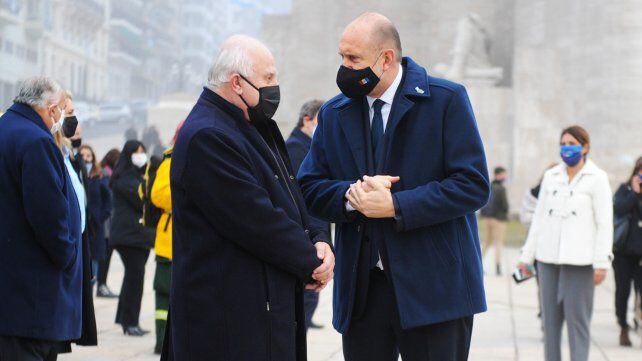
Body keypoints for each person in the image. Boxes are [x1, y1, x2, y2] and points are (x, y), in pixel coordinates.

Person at [298, 13, 490, 361]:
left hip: (436, 292)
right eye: (341, 57)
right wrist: (352, 197)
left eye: (353, 58)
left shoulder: (446, 100)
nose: (345, 67)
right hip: (363, 294)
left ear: (386, 59)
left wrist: (396, 205)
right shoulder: (333, 113)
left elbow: (473, 185)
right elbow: (309, 187)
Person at [162, 35, 335, 361]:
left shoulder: (254, 126)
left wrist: (318, 237)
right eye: (268, 78)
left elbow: (291, 196)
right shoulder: (208, 135)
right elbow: (256, 219)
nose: (276, 85)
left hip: (262, 308)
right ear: (237, 83)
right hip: (227, 322)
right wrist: (311, 262)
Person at [0, 77, 90, 359]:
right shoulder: (37, 141)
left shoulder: (6, 129)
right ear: (51, 110)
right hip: (31, 298)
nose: (64, 116)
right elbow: (48, 218)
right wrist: (69, 256)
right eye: (63, 108)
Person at [517, 125, 613, 361]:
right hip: (547, 260)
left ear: (585, 146)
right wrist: (526, 257)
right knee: (550, 324)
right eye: (563, 143)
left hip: (580, 262)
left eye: (572, 144)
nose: (567, 148)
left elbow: (604, 224)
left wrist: (602, 262)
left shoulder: (597, 178)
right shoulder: (551, 176)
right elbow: (538, 219)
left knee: (577, 324)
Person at [285, 99, 329, 331]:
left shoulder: (310, 147)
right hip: (304, 225)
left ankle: (306, 319)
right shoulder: (295, 147)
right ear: (307, 120)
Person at [110, 140, 155, 336]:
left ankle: (125, 319)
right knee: (135, 279)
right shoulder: (125, 178)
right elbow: (142, 200)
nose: (141, 156)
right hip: (130, 237)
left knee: (131, 277)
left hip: (136, 237)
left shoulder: (136, 175)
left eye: (142, 152)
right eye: (137, 152)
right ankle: (131, 322)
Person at [150, 121, 183, 354]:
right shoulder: (170, 160)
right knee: (164, 296)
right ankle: (161, 342)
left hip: (190, 245)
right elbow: (158, 195)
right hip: (168, 244)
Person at [612, 156, 642, 346]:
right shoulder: (625, 190)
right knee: (622, 292)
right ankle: (623, 326)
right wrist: (635, 193)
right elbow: (618, 209)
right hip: (623, 253)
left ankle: (638, 322)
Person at [79, 145, 113, 287]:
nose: (86, 159)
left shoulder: (99, 178)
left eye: (89, 156)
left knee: (92, 272)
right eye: (83, 155)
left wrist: (99, 218)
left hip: (95, 230)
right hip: (80, 230)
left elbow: (108, 201)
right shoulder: (76, 176)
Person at [96, 148, 121, 298]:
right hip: (105, 223)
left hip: (109, 222)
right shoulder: (104, 175)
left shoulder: (108, 174)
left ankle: (102, 284)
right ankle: (101, 285)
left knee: (107, 255)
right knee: (104, 256)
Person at [480, 166, 509, 275]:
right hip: (498, 219)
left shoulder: (489, 185)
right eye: (503, 174)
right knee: (498, 244)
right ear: (498, 174)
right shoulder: (501, 188)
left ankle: (479, 264)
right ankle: (498, 268)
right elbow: (505, 205)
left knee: (486, 243)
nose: (505, 176)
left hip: (487, 218)